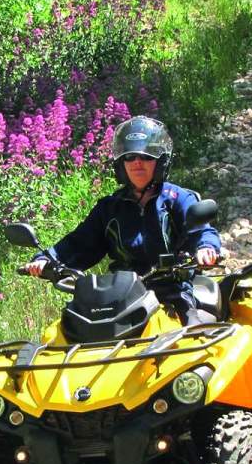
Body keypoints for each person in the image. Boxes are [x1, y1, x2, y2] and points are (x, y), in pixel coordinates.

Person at [24, 116, 222, 325]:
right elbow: (79, 243)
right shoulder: (109, 208)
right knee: (69, 333)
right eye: (130, 156)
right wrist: (46, 259)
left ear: (161, 160)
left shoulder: (178, 198)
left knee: (193, 336)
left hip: (172, 291)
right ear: (121, 163)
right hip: (120, 296)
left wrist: (206, 248)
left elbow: (202, 232)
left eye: (146, 156)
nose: (137, 162)